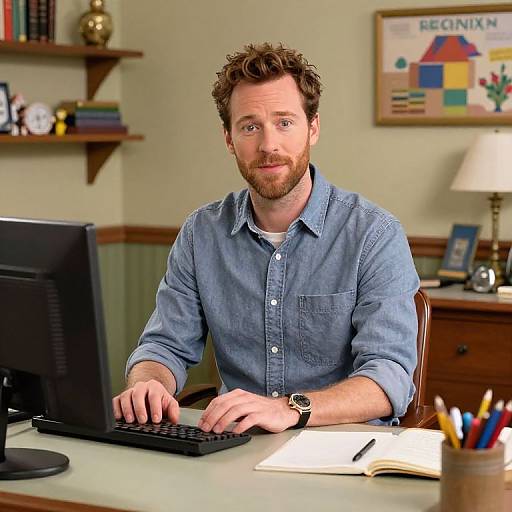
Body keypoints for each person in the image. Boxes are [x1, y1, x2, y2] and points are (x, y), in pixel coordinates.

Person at [113, 43, 419, 434]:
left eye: (285, 122)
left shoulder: (374, 235)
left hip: (343, 449)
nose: (268, 145)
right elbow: (164, 346)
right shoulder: (200, 234)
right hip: (235, 448)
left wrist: (290, 409)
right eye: (250, 126)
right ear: (229, 139)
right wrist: (147, 385)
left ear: (313, 127)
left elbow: (388, 376)